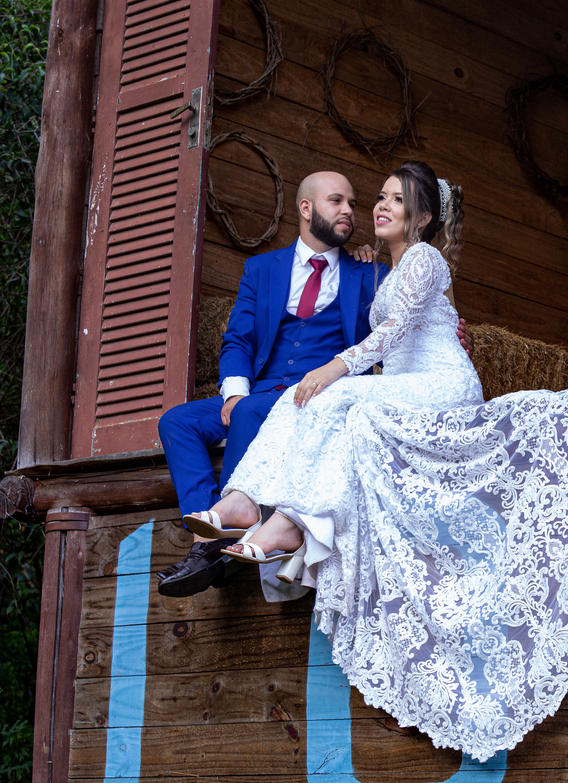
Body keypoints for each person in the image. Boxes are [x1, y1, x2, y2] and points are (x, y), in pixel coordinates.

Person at [182, 161, 568, 762]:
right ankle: (250, 504)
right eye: (381, 196)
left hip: (442, 384)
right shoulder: (388, 267)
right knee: (309, 403)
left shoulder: (425, 259)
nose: (380, 206)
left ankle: (282, 521)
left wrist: (335, 367)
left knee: (334, 396)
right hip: (406, 384)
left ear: (421, 217)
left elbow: (394, 334)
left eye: (396, 200)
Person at [154, 170, 470, 597]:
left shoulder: (371, 273)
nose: (351, 211)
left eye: (353, 203)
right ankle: (211, 524)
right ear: (306, 208)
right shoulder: (261, 268)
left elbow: (406, 326)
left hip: (316, 389)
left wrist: (457, 335)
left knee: (255, 411)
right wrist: (234, 391)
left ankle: (212, 547)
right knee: (177, 422)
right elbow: (238, 338)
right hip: (263, 388)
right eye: (337, 201)